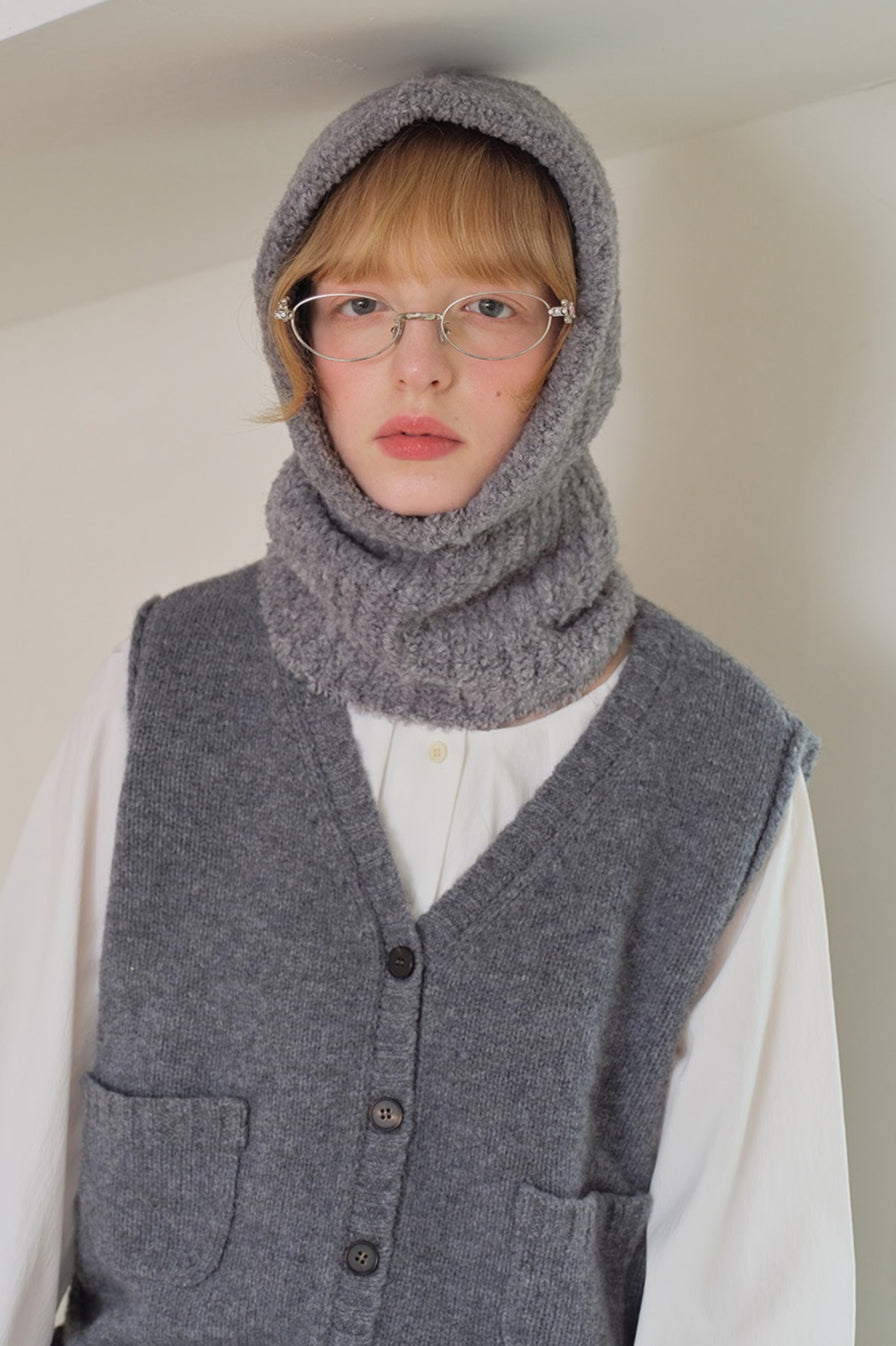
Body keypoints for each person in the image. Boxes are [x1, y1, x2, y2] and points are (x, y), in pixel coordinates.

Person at [0, 72, 853, 1346]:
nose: (418, 364)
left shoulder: (720, 765)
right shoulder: (164, 683)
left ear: (575, 349)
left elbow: (754, 1290)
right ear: (299, 339)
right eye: (361, 305)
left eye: (487, 308)